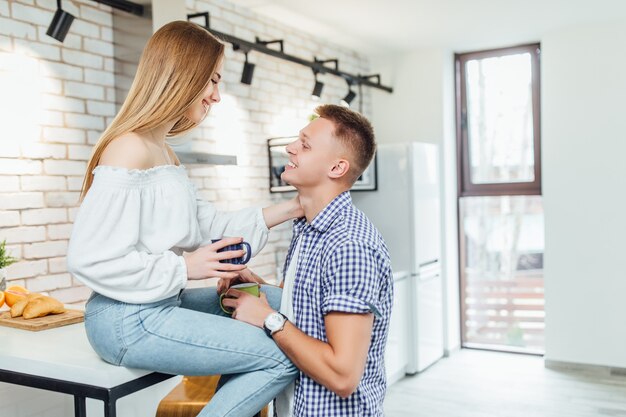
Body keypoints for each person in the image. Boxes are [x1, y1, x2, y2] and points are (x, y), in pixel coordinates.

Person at [66, 21, 301, 417]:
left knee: (286, 305)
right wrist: (185, 266)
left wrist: (296, 207)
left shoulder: (163, 152)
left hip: (157, 304)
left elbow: (210, 225)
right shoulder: (129, 149)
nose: (217, 95)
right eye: (211, 80)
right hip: (125, 320)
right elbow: (88, 258)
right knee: (281, 355)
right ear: (182, 76)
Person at [221, 104, 394, 417]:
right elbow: (303, 312)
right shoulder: (309, 230)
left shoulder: (350, 246)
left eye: (305, 144)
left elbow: (342, 376)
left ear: (337, 168)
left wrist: (267, 318)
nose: (290, 148)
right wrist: (256, 284)